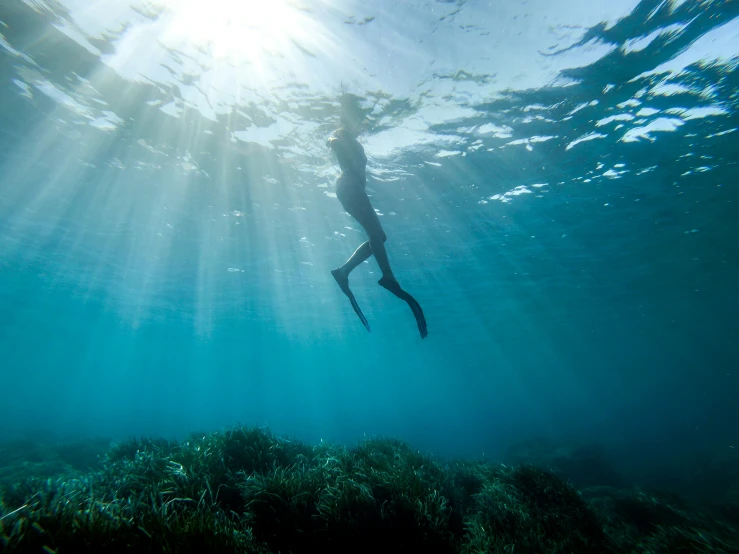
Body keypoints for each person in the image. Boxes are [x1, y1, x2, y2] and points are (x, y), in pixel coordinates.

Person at [328, 125, 428, 339]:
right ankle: (387, 276)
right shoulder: (346, 141)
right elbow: (335, 143)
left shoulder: (351, 143)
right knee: (376, 234)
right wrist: (334, 140)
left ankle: (344, 271)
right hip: (350, 186)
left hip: (350, 187)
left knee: (379, 236)